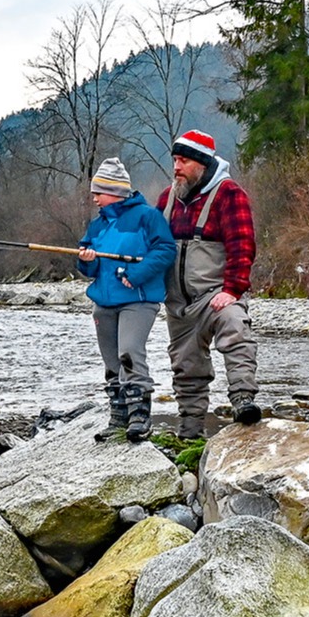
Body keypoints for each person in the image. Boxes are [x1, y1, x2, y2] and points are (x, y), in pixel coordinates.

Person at [156, 129, 259, 439]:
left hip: (217, 294)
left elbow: (243, 244)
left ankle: (243, 400)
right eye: (174, 160)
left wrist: (232, 290)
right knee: (186, 369)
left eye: (183, 161)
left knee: (235, 328)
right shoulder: (166, 198)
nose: (176, 167)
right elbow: (151, 247)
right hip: (178, 303)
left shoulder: (229, 194)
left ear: (201, 163)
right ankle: (189, 432)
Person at [76, 158, 176, 442]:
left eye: (99, 192)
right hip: (103, 302)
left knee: (130, 352)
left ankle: (140, 418)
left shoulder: (147, 217)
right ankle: (118, 419)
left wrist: (137, 273)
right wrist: (86, 261)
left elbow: (166, 250)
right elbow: (88, 268)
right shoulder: (97, 225)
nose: (94, 197)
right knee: (111, 362)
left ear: (116, 191)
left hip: (139, 300)